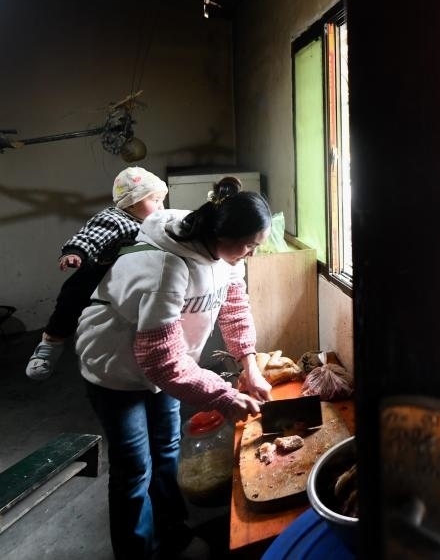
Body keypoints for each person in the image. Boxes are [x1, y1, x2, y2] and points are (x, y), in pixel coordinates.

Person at [76, 176, 273, 559]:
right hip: (115, 371)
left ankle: (174, 535)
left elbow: (234, 310)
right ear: (221, 233)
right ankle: (138, 552)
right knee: (135, 469)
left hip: (172, 366)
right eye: (249, 244)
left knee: (167, 451)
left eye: (256, 246)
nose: (250, 254)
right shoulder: (165, 266)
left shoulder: (227, 256)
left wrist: (249, 365)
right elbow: (160, 360)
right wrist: (224, 395)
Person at [26, 166, 169, 381]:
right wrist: (75, 253)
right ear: (131, 202)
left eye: (161, 200)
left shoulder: (156, 222)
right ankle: (50, 344)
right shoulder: (114, 219)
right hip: (97, 274)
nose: (160, 206)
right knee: (70, 302)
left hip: (130, 278)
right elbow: (90, 237)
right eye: (154, 200)